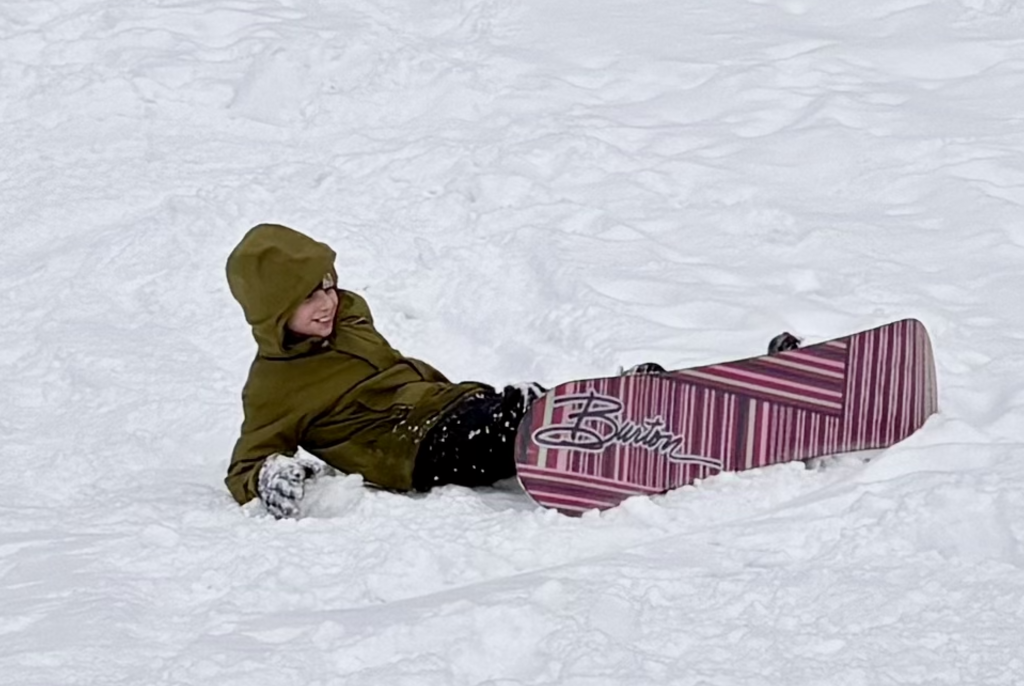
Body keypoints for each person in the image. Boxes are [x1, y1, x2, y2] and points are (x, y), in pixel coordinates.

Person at [224, 223, 544, 518]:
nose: (327, 303)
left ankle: (539, 416)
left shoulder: (348, 318)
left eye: (328, 286)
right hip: (404, 449)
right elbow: (246, 463)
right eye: (308, 298)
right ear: (274, 312)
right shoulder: (274, 385)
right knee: (487, 434)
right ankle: (528, 428)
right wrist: (267, 477)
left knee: (502, 410)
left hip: (443, 404)